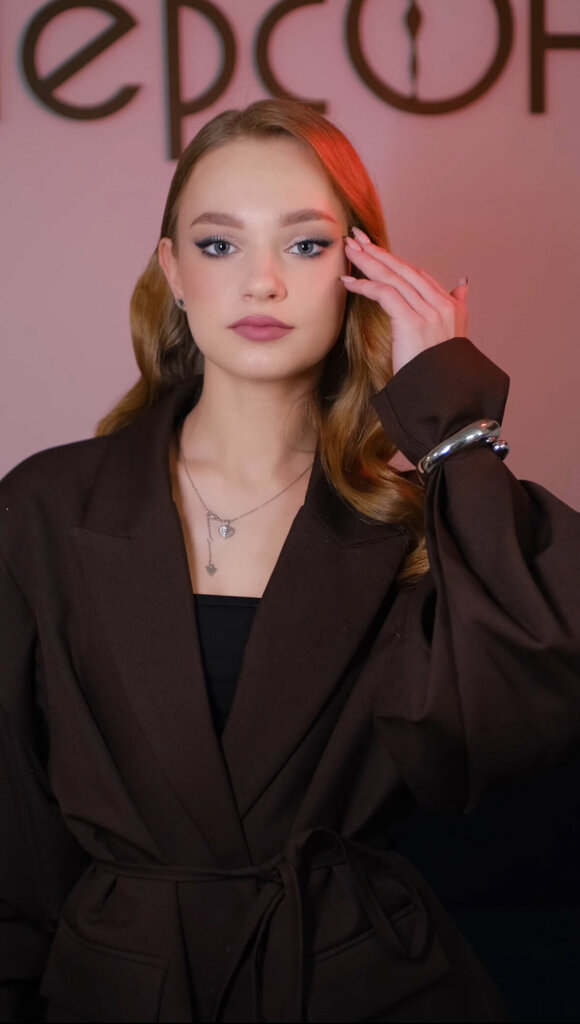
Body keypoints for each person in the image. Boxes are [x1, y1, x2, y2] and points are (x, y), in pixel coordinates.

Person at [0, 98, 578, 1024]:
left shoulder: (410, 520)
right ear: (172, 271)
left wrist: (454, 423)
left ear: (361, 270)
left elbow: (527, 710)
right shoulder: (43, 510)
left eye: (305, 245)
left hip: (362, 987)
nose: (261, 283)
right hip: (117, 989)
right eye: (219, 244)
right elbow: (14, 838)